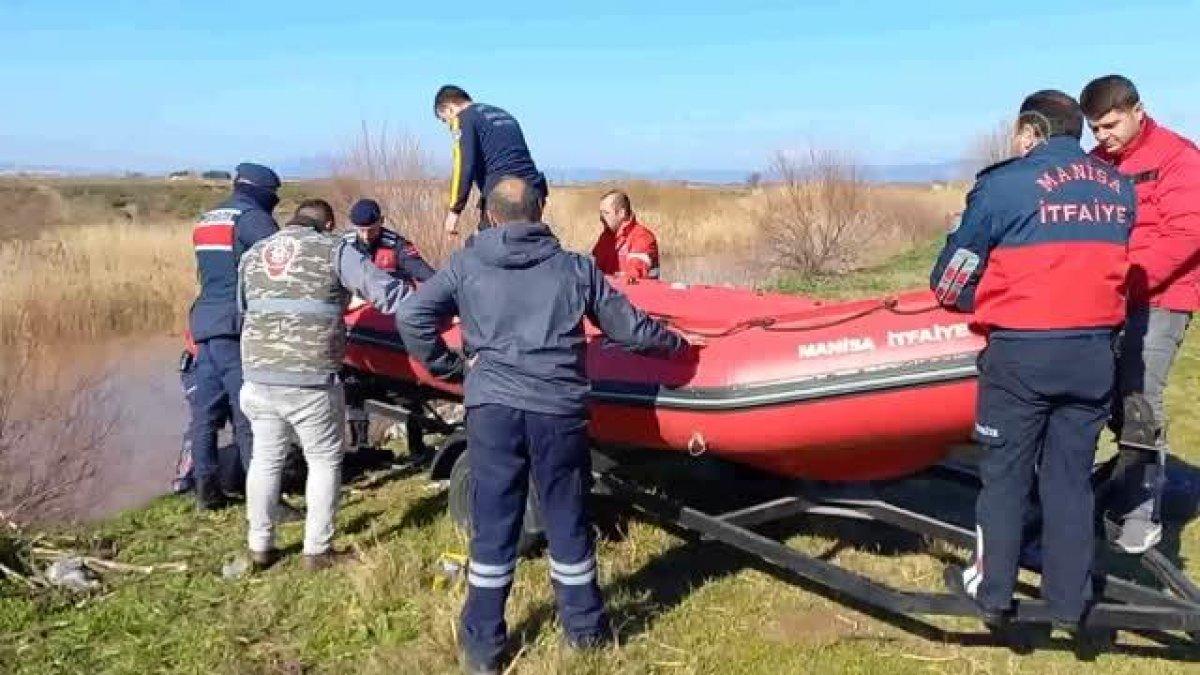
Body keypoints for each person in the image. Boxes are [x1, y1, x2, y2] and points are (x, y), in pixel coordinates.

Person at [397, 176, 693, 673]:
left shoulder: (466, 264)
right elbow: (629, 329)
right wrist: (679, 346)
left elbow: (413, 315)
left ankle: (483, 647)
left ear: (491, 216)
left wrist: (449, 368)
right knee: (566, 517)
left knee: (493, 524)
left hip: (491, 411)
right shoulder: (575, 268)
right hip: (557, 409)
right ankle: (585, 632)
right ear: (540, 212)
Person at [930, 91, 1133, 631]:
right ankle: (1069, 601)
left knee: (1004, 475)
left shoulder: (1003, 186)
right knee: (1070, 479)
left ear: (1029, 132)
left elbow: (951, 280)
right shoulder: (1119, 189)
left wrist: (978, 298)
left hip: (1023, 355)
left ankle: (992, 590)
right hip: (1093, 355)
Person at [238, 199, 410, 570]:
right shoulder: (333, 249)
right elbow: (387, 292)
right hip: (309, 377)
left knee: (265, 459)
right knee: (324, 460)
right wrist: (434, 308)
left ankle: (260, 545)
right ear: (329, 223)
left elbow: (244, 308)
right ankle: (317, 550)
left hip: (257, 375)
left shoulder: (253, 254)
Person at [1081, 74, 1200, 553]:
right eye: (1094, 129)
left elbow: (1186, 234)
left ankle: (1139, 511)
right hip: (1104, 299)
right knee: (1100, 395)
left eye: (1110, 125)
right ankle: (1116, 481)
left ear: (1137, 111)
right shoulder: (1094, 165)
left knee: (1139, 401)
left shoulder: (1178, 158)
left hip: (1161, 297)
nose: (1102, 136)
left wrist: (1126, 276)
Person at [188, 162, 280, 510]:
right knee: (250, 411)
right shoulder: (251, 219)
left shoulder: (207, 219)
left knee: (206, 414)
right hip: (235, 325)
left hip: (205, 323)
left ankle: (206, 491)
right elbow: (280, 263)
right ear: (263, 192)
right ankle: (263, 497)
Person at [433, 85, 548, 236]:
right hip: (534, 191)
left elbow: (464, 165)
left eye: (444, 120)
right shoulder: (503, 114)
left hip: (504, 194)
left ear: (449, 109)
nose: (448, 125)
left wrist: (454, 211)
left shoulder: (463, 118)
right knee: (528, 243)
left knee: (481, 250)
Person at [345, 198, 436, 283]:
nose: (366, 236)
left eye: (371, 230)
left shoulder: (397, 245)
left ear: (381, 221)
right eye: (361, 230)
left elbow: (425, 274)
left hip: (392, 297)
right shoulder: (346, 245)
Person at [592, 189, 661, 281]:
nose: (601, 218)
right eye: (601, 213)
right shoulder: (605, 238)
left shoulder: (642, 237)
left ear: (621, 213)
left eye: (606, 213)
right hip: (609, 293)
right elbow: (592, 268)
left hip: (635, 294)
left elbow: (634, 277)